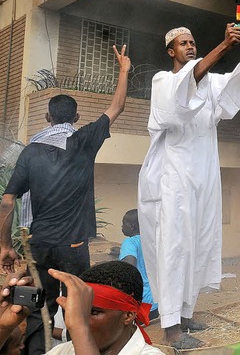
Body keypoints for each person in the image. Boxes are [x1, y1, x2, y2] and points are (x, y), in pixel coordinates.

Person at [138, 22, 240, 349]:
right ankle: (170, 329)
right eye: (184, 43)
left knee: (198, 245)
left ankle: (185, 314)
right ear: (171, 51)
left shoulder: (209, 83)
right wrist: (225, 46)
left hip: (204, 178)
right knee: (175, 248)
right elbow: (182, 92)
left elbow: (235, 85)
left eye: (193, 42)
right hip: (174, 181)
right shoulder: (162, 81)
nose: (190, 47)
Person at [0, 45, 131, 355]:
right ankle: (77, 350)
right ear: (76, 117)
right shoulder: (83, 140)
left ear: (47, 117)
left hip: (39, 247)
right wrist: (123, 70)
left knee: (34, 307)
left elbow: (7, 202)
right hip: (73, 248)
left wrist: (4, 246)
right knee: (78, 305)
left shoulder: (30, 151)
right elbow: (117, 108)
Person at [0, 261, 163, 355]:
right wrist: (3, 327)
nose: (75, 320)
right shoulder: (65, 351)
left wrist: (80, 328)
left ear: (128, 315)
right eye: (77, 310)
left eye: (92, 312)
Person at [119, 210, 158, 320]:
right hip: (155, 305)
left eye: (124, 223)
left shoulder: (129, 242)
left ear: (132, 226)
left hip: (141, 305)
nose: (121, 226)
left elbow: (129, 267)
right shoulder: (151, 241)